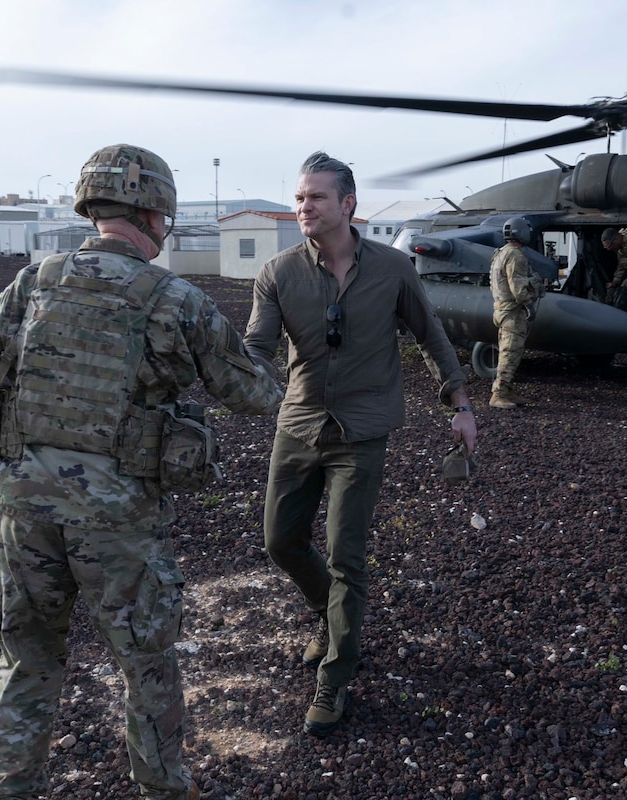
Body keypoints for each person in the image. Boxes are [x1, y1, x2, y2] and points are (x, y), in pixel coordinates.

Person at [0, 143, 285, 800]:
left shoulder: (35, 281)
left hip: (25, 512)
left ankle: (10, 787)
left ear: (93, 205)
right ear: (155, 214)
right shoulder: (175, 297)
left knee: (26, 661)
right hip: (117, 523)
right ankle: (162, 789)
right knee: (147, 668)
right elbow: (251, 395)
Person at [243, 152, 477, 737]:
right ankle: (329, 615)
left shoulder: (395, 270)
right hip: (297, 426)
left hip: (364, 432)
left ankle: (337, 672)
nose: (304, 207)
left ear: (348, 205)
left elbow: (432, 337)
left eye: (316, 198)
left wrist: (461, 405)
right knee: (281, 540)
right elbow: (256, 349)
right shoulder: (278, 273)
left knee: (347, 555)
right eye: (299, 198)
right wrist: (224, 373)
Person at [489, 216, 545, 409]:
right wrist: (529, 304)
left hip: (501, 309)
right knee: (510, 353)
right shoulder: (515, 255)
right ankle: (498, 394)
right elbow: (518, 287)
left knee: (510, 351)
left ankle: (508, 390)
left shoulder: (500, 253)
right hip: (512, 312)